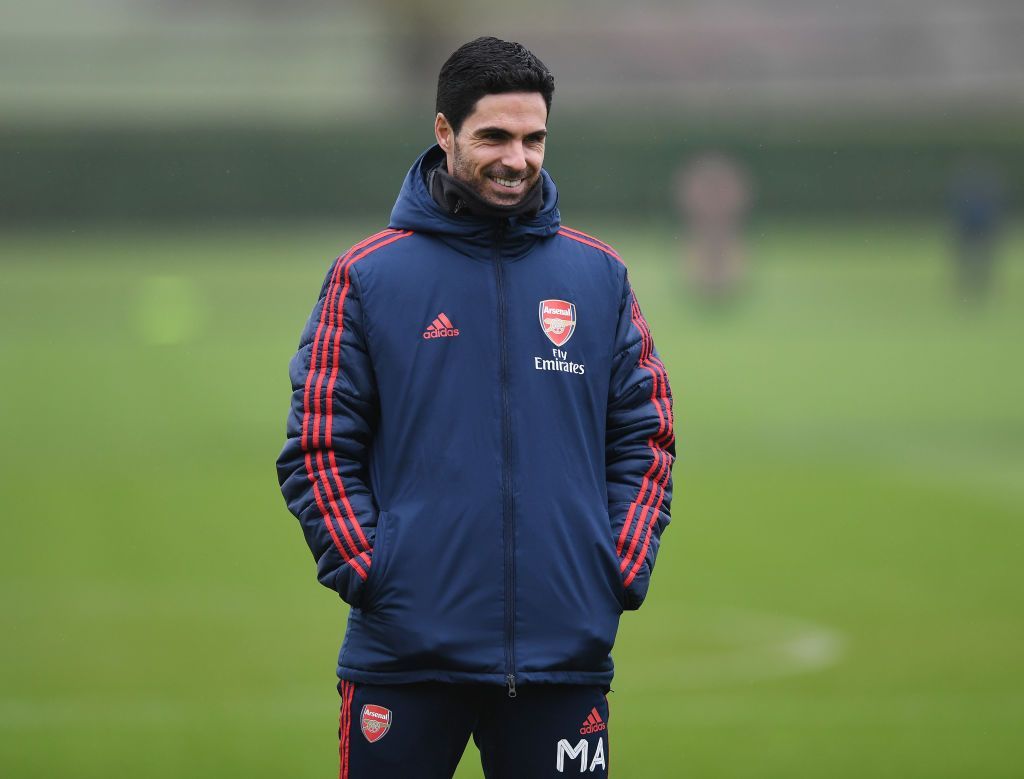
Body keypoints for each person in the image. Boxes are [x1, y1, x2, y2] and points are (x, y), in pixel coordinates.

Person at [276, 36, 675, 779]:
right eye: (494, 136)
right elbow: (318, 445)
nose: (517, 158)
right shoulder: (367, 277)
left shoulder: (600, 277)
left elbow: (645, 438)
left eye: (533, 139)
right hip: (404, 660)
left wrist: (615, 565)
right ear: (444, 131)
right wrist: (374, 571)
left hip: (562, 661)